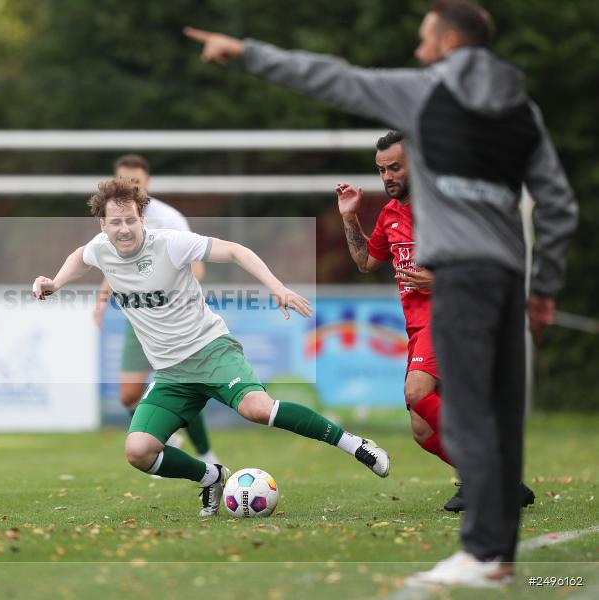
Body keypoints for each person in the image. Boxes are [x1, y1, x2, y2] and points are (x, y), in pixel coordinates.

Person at [186, 0, 578, 587]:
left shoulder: (428, 99)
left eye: (424, 41)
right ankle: (496, 538)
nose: (419, 53)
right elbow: (558, 201)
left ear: (447, 43)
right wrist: (542, 288)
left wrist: (248, 53)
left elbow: (338, 78)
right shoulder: (519, 110)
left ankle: (486, 545)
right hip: (502, 279)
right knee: (446, 424)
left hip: (463, 289)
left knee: (450, 406)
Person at [33, 178, 390, 517]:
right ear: (103, 226)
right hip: (172, 373)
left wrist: (277, 287)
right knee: (138, 451)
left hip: (211, 351)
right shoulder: (101, 249)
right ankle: (212, 477)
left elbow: (235, 251)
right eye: (115, 222)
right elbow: (80, 257)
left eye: (130, 220)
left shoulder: (169, 243)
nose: (123, 228)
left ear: (142, 218)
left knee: (257, 408)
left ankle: (354, 444)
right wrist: (55, 282)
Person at [336, 131, 534, 511]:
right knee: (422, 428)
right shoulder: (390, 215)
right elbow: (365, 262)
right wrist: (350, 219)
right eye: (381, 170)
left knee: (416, 392)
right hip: (419, 329)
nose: (387, 177)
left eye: (395, 167)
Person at [93, 154, 218, 464]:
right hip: (139, 319)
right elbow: (112, 265)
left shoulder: (170, 219)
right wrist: (101, 301)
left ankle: (207, 455)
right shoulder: (114, 220)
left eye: (135, 182)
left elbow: (197, 268)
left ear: (147, 184)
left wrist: (166, 283)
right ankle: (169, 433)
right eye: (123, 181)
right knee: (128, 396)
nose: (128, 186)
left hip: (173, 320)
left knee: (182, 387)